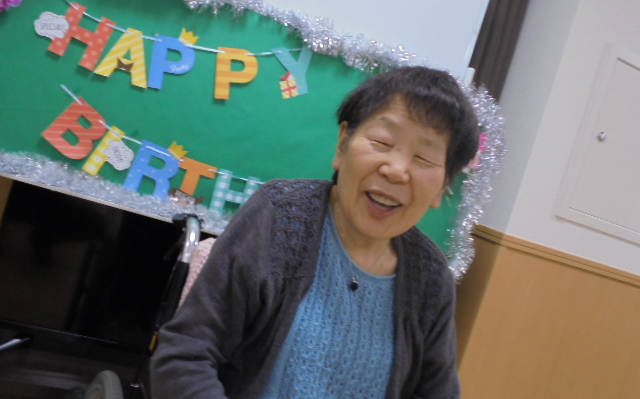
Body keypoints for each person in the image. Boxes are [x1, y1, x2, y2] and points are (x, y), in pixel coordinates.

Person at [150, 66, 479, 399]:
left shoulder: (431, 279)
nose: (396, 170)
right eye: (382, 142)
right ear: (343, 144)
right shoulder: (277, 218)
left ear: (442, 188)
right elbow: (185, 356)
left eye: (424, 158)